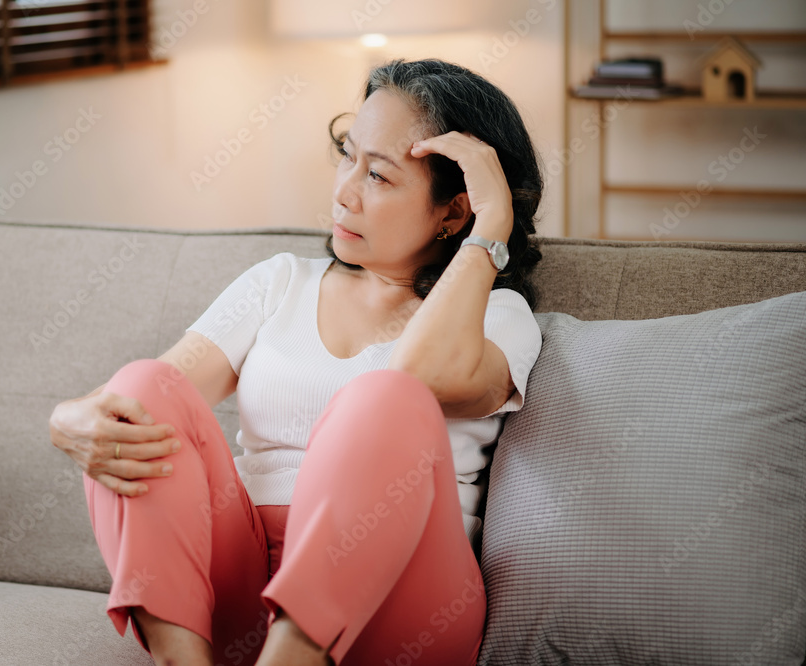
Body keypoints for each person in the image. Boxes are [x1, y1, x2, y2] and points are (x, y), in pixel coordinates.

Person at [49, 58, 544, 666]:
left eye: (380, 177)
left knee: (384, 396)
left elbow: (414, 376)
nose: (342, 190)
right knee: (143, 385)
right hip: (243, 592)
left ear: (452, 212)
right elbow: (146, 400)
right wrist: (68, 418)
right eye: (347, 154)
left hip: (401, 607)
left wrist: (489, 231)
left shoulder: (497, 316)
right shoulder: (278, 283)